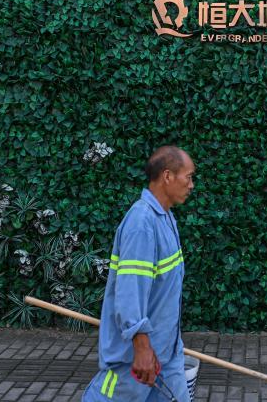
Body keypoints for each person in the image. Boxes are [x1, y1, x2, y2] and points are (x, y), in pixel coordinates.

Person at [80, 146, 195, 402]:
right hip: (137, 359)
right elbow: (130, 291)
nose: (191, 185)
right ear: (167, 176)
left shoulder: (164, 218)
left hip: (167, 355)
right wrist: (141, 347)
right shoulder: (141, 225)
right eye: (188, 177)